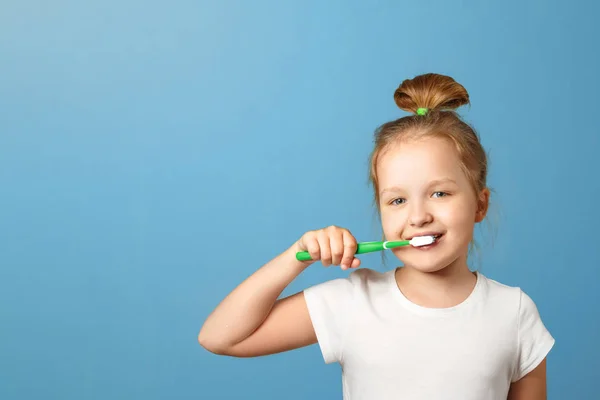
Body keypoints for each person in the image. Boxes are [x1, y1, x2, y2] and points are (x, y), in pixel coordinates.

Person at [198, 73, 555, 399]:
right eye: (398, 200)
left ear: (480, 205)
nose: (418, 216)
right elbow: (219, 337)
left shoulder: (515, 313)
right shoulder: (353, 302)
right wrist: (296, 256)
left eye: (440, 193)